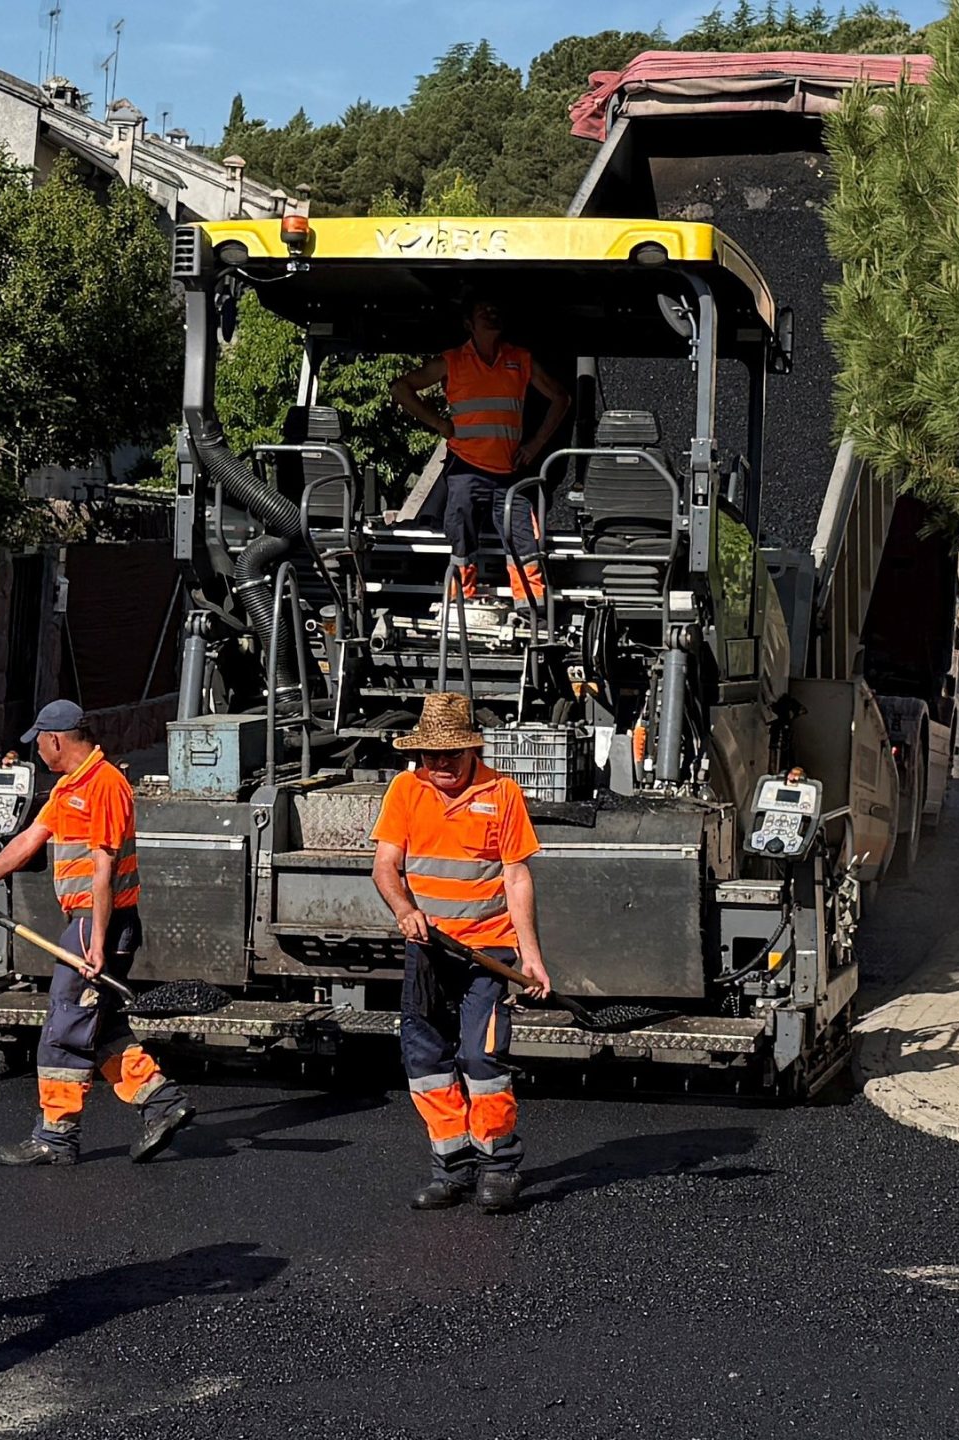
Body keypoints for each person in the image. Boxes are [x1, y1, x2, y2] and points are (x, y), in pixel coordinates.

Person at [0, 700, 195, 1168]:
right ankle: (162, 1104)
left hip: (98, 923)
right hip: (88, 924)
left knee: (64, 1028)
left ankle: (56, 1137)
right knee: (96, 1027)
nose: (36, 751)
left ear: (56, 739)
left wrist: (97, 941)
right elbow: (27, 840)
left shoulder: (105, 785)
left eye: (38, 742)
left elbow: (103, 868)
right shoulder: (69, 787)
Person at [366, 693, 554, 1214]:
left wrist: (531, 956)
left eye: (451, 754)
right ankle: (450, 1168)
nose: (441, 765)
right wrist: (405, 910)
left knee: (481, 1056)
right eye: (431, 756)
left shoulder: (502, 793)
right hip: (427, 950)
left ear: (472, 750)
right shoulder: (406, 790)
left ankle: (497, 1166)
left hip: (487, 952)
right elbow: (386, 867)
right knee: (425, 1059)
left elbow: (517, 876)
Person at [388, 297, 572, 603]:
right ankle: (462, 601)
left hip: (509, 473)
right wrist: (440, 424)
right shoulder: (452, 361)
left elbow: (561, 398)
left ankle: (532, 607)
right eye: (483, 311)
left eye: (495, 309)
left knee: (524, 541)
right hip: (465, 468)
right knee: (461, 540)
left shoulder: (520, 359)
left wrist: (536, 444)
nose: (491, 313)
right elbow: (400, 388)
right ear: (468, 325)